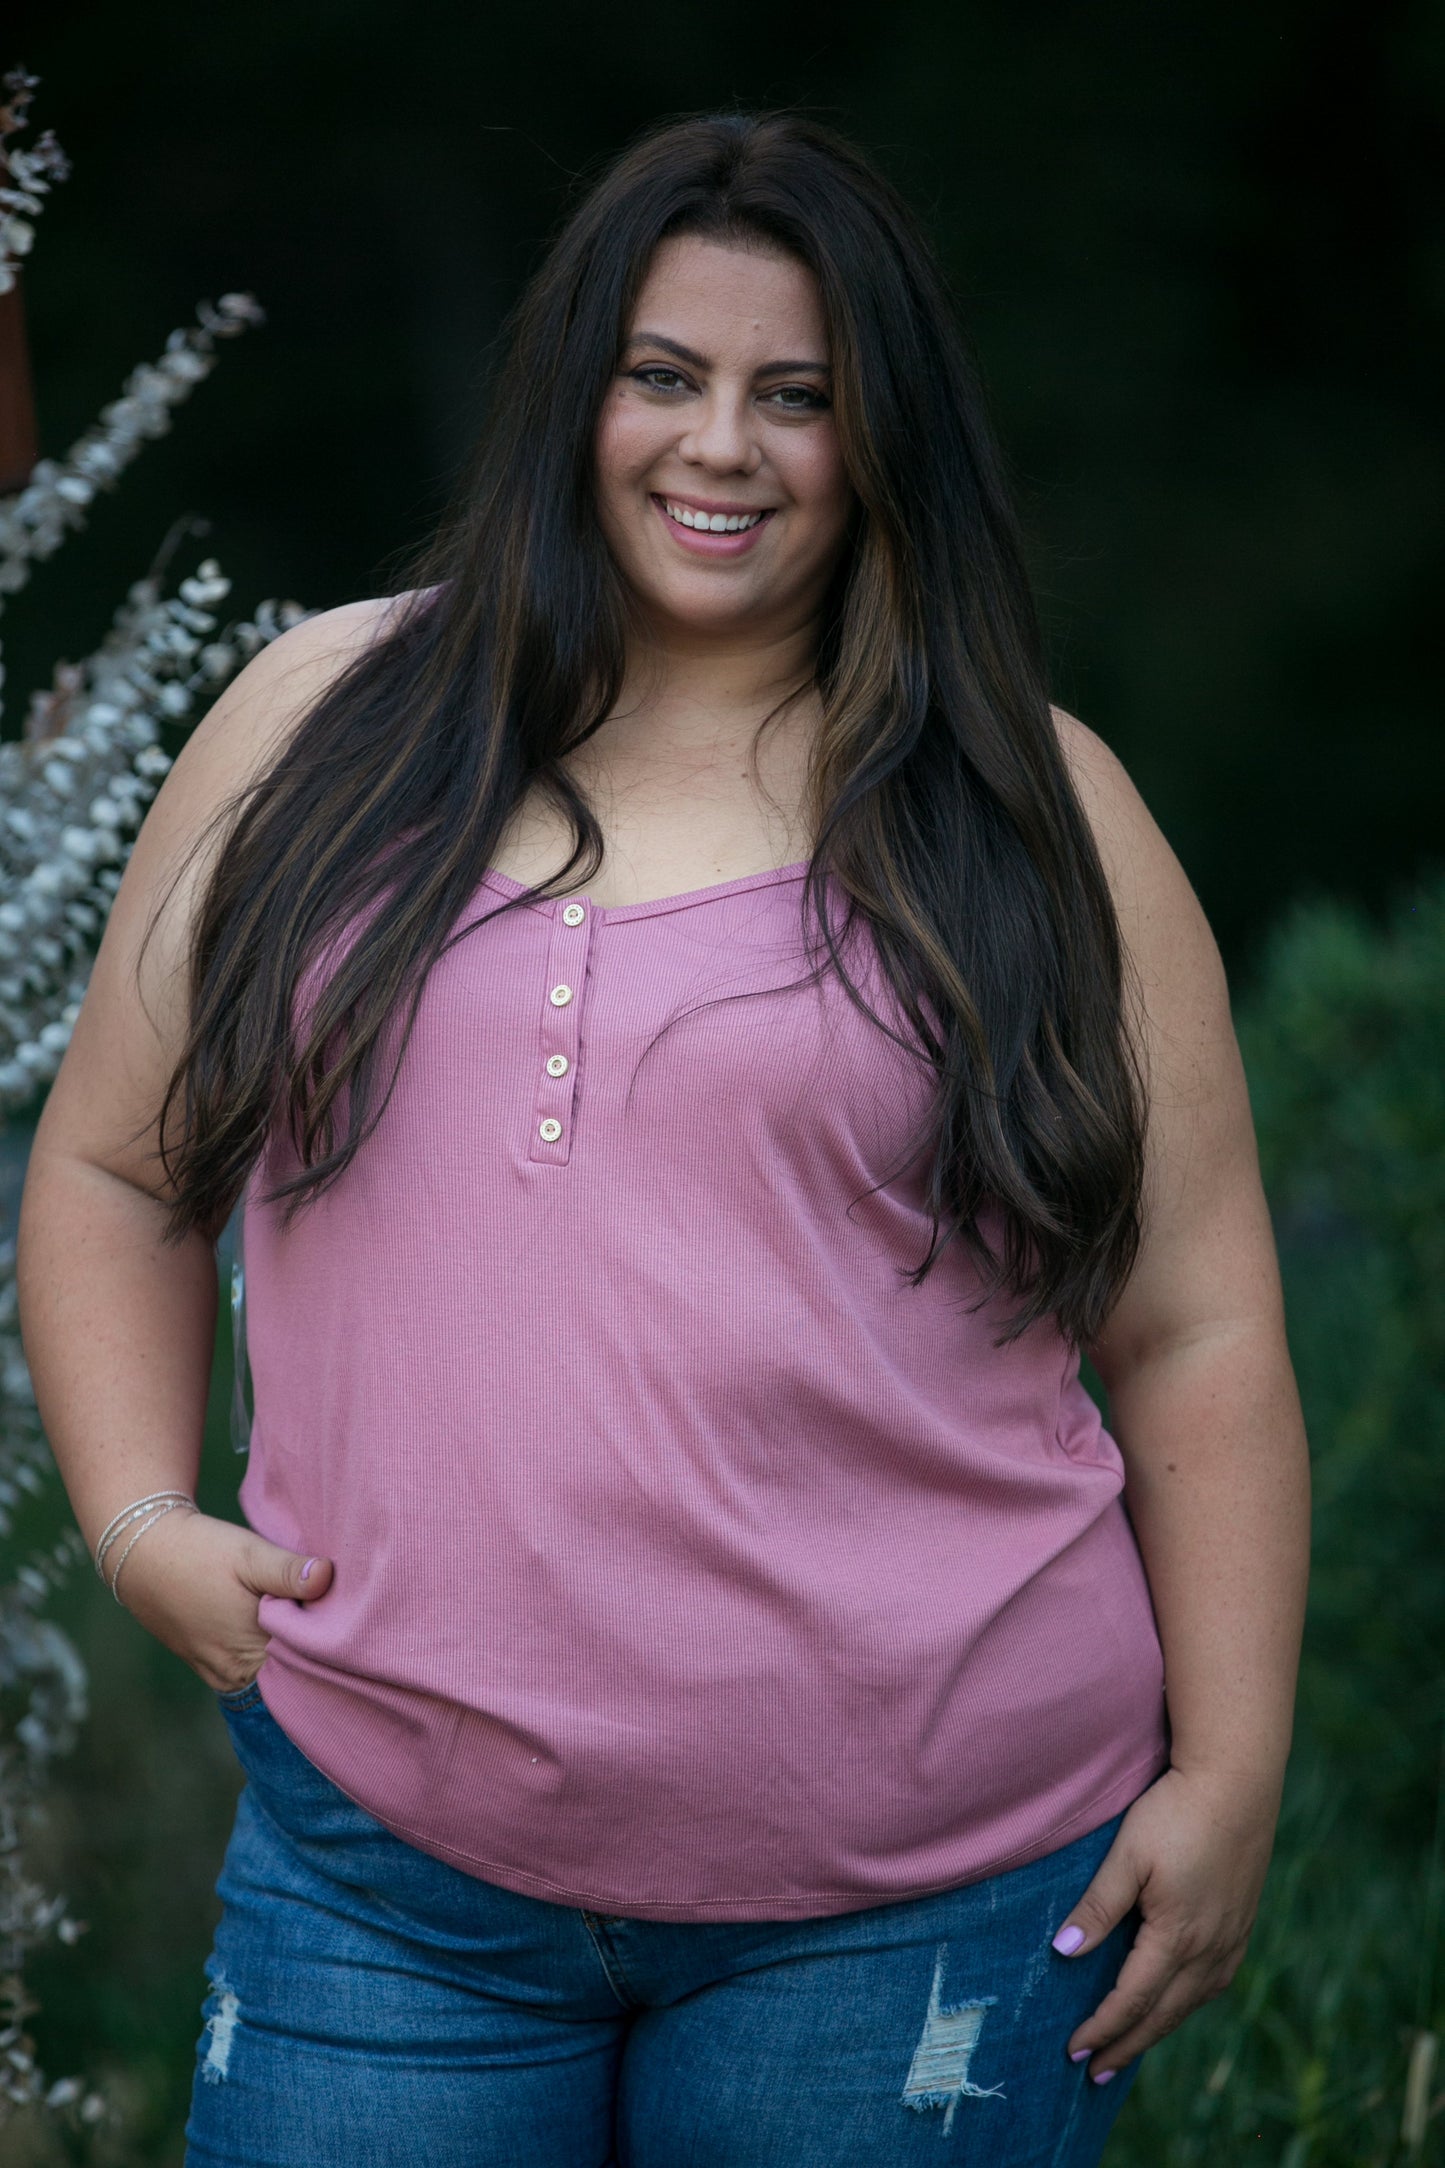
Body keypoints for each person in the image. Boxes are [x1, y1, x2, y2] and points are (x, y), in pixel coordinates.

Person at [16, 111, 1310, 2167]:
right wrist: (136, 1518)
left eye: (799, 396)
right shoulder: (316, 725)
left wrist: (1231, 1766)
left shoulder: (1033, 815)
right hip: (388, 1881)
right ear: (577, 392)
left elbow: (1198, 1328)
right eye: (667, 376)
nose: (725, 446)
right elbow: (111, 1170)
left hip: (925, 1902)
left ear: (884, 439)